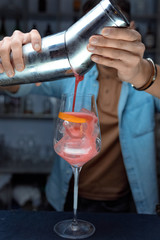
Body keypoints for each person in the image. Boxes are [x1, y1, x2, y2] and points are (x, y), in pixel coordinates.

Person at [0, 0, 160, 214]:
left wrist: (143, 73)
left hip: (129, 203)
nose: (98, 41)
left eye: (108, 31)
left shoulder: (144, 86)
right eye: (89, 33)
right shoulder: (72, 74)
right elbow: (20, 87)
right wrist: (12, 59)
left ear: (130, 29)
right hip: (66, 197)